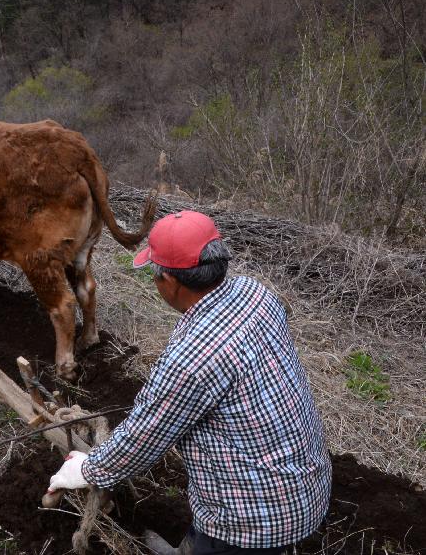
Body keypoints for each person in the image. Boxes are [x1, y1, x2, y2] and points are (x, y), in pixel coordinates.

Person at [47, 210, 331, 555]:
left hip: (252, 520)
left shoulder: (193, 359)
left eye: (154, 275)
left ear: (169, 281)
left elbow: (145, 436)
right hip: (307, 483)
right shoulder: (255, 293)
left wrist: (86, 470)